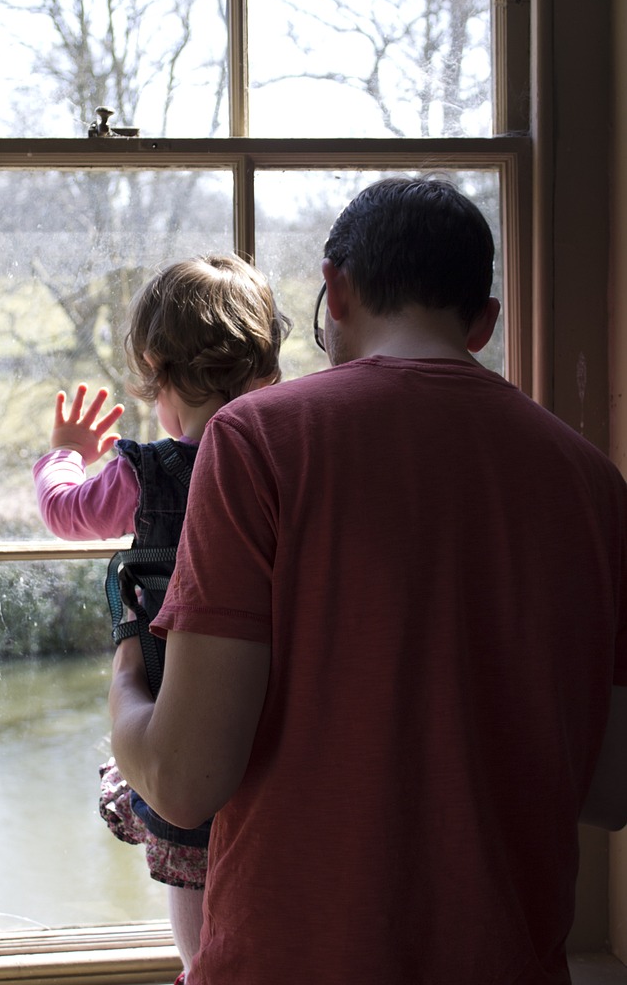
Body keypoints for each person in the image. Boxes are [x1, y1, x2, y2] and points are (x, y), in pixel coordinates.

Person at [108, 176, 627, 985]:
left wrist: (125, 670)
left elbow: (182, 780)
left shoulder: (260, 439)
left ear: (335, 291)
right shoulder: (591, 481)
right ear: (483, 324)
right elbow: (609, 784)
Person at [32, 254, 290, 983]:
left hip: (175, 697)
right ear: (264, 368)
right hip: (279, 684)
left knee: (189, 860)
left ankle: (198, 969)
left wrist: (65, 457)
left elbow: (67, 513)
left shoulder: (145, 471)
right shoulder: (290, 454)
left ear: (155, 369)